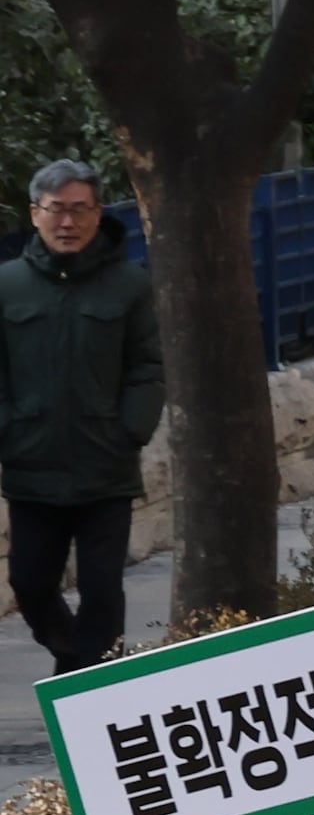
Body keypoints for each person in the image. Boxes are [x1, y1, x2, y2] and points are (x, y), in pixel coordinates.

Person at [0, 158, 157, 674]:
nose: (67, 222)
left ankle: (97, 690)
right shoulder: (8, 286)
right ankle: (72, 656)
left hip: (105, 468)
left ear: (98, 214)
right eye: (56, 210)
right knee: (29, 582)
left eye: (79, 210)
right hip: (31, 466)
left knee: (101, 587)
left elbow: (147, 366)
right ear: (35, 214)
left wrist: (129, 430)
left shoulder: (129, 286)